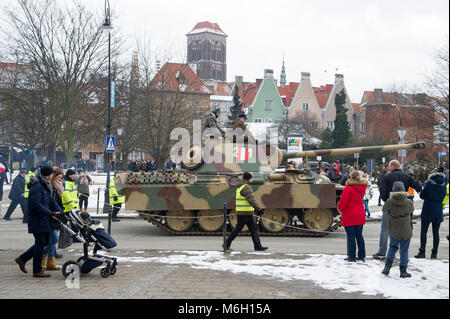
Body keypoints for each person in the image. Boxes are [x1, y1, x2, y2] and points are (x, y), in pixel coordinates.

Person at [14, 166, 63, 278]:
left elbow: (51, 201)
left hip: (43, 219)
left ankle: (22, 259)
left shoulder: (45, 185)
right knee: (41, 243)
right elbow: (36, 204)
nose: (52, 176)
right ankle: (37, 270)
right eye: (52, 174)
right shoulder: (37, 186)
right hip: (37, 219)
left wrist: (60, 211)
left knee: (44, 242)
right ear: (48, 175)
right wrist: (50, 213)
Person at [373, 160, 422, 260]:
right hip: (404, 206)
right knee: (403, 230)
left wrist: (386, 199)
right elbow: (418, 186)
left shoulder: (386, 177)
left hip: (390, 205)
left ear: (392, 166)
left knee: (385, 229)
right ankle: (402, 254)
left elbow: (382, 192)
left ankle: (382, 252)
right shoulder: (406, 176)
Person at [224, 172, 267, 251]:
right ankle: (226, 244)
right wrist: (259, 209)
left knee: (253, 229)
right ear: (248, 179)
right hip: (244, 213)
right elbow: (251, 200)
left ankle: (257, 246)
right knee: (238, 229)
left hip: (246, 212)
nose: (252, 179)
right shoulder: (246, 187)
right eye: (251, 178)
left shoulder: (240, 187)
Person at [381, 181, 415, 278]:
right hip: (406, 229)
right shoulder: (408, 201)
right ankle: (403, 271)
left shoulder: (389, 201)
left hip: (394, 228)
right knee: (404, 250)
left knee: (392, 247)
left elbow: (385, 211)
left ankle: (387, 268)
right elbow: (411, 210)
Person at [414, 168, 447, 259]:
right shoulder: (444, 183)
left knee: (424, 232)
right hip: (438, 210)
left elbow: (422, 195)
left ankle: (422, 252)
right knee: (436, 233)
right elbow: (443, 195)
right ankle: (434, 253)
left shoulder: (429, 183)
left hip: (428, 209)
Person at [337, 170, 368, 262]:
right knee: (359, 235)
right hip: (360, 213)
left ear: (351, 177)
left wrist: (340, 209)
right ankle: (362, 256)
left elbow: (342, 203)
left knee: (351, 236)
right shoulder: (363, 187)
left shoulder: (348, 188)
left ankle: (352, 256)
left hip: (349, 214)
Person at [42, 168, 65, 271]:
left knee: (52, 240)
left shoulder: (58, 187)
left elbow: (57, 202)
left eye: (61, 177)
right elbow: (50, 201)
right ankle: (42, 255)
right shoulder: (51, 187)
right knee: (54, 239)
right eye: (58, 177)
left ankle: (50, 261)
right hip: (51, 215)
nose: (60, 179)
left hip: (57, 215)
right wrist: (51, 212)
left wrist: (61, 211)